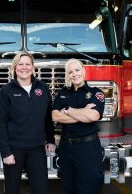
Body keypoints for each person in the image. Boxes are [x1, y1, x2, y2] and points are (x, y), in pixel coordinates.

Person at [0, 52, 56, 194]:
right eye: (20, 64)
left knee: (41, 190)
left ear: (33, 68)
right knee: (12, 190)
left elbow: (48, 117)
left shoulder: (43, 87)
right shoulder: (6, 91)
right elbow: (0, 123)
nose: (24, 67)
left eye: (28, 64)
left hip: (37, 150)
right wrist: (6, 152)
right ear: (15, 68)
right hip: (14, 150)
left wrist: (51, 139)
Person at [52, 58, 105, 194]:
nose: (74, 74)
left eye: (77, 70)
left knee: (89, 188)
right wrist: (83, 114)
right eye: (70, 72)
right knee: (68, 188)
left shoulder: (96, 92)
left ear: (83, 71)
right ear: (67, 75)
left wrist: (69, 110)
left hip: (88, 148)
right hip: (66, 148)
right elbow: (55, 116)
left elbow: (93, 116)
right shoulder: (62, 93)